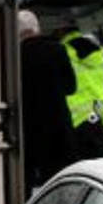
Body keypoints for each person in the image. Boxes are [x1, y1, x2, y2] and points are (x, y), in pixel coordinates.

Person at [17, 11, 77, 189]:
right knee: (58, 183)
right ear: (37, 28)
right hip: (57, 129)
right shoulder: (57, 49)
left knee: (24, 182)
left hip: (27, 130)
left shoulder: (14, 55)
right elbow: (70, 87)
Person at [58, 22, 103, 161]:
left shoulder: (64, 51)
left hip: (76, 121)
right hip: (98, 118)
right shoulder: (98, 53)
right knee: (97, 168)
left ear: (60, 31)